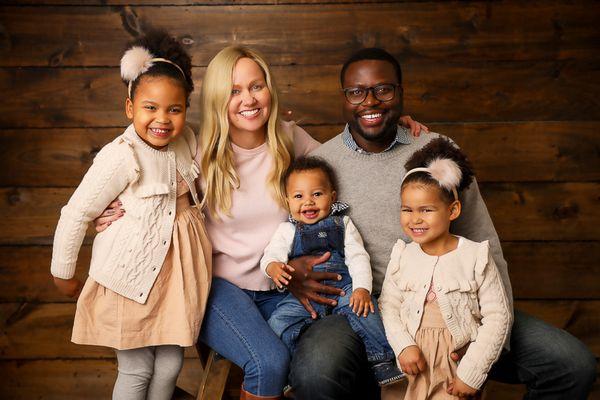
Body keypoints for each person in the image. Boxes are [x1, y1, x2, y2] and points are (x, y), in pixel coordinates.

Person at [95, 45, 426, 399]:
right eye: (234, 90)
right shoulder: (194, 145)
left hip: (281, 288)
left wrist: (394, 131)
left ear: (270, 89)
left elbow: (347, 158)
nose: (248, 99)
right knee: (268, 362)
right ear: (219, 98)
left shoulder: (290, 138)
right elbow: (139, 156)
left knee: (317, 366)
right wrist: (111, 206)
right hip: (218, 288)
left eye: (256, 86)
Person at [287, 47, 596, 400]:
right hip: (363, 306)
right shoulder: (321, 164)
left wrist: (486, 339)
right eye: (357, 92)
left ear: (401, 93)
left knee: (572, 364)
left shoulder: (436, 150)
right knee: (315, 371)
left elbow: (486, 244)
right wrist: (291, 270)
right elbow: (297, 232)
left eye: (383, 89)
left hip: (453, 301)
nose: (370, 101)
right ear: (344, 98)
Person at [50, 30, 212, 400]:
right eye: (150, 108)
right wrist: (63, 273)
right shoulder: (121, 155)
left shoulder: (188, 139)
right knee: (137, 367)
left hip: (177, 277)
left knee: (170, 366)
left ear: (186, 109)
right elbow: (76, 212)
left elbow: (218, 158)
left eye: (174, 109)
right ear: (130, 108)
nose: (163, 119)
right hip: (131, 277)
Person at [379, 137, 513, 399]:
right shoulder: (402, 256)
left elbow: (498, 318)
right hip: (408, 365)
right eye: (407, 209)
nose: (415, 219)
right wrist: (403, 346)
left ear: (452, 210)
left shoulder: (476, 257)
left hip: (454, 369)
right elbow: (389, 306)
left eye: (426, 210)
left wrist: (471, 373)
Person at [261, 156, 404, 387]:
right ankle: (290, 368)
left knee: (367, 310)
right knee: (277, 323)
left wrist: (361, 289)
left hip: (343, 288)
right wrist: (273, 267)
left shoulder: (343, 224)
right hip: (303, 296)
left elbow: (358, 257)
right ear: (288, 201)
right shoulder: (287, 230)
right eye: (299, 196)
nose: (308, 202)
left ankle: (383, 362)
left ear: (332, 196)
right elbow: (271, 254)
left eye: (317, 194)